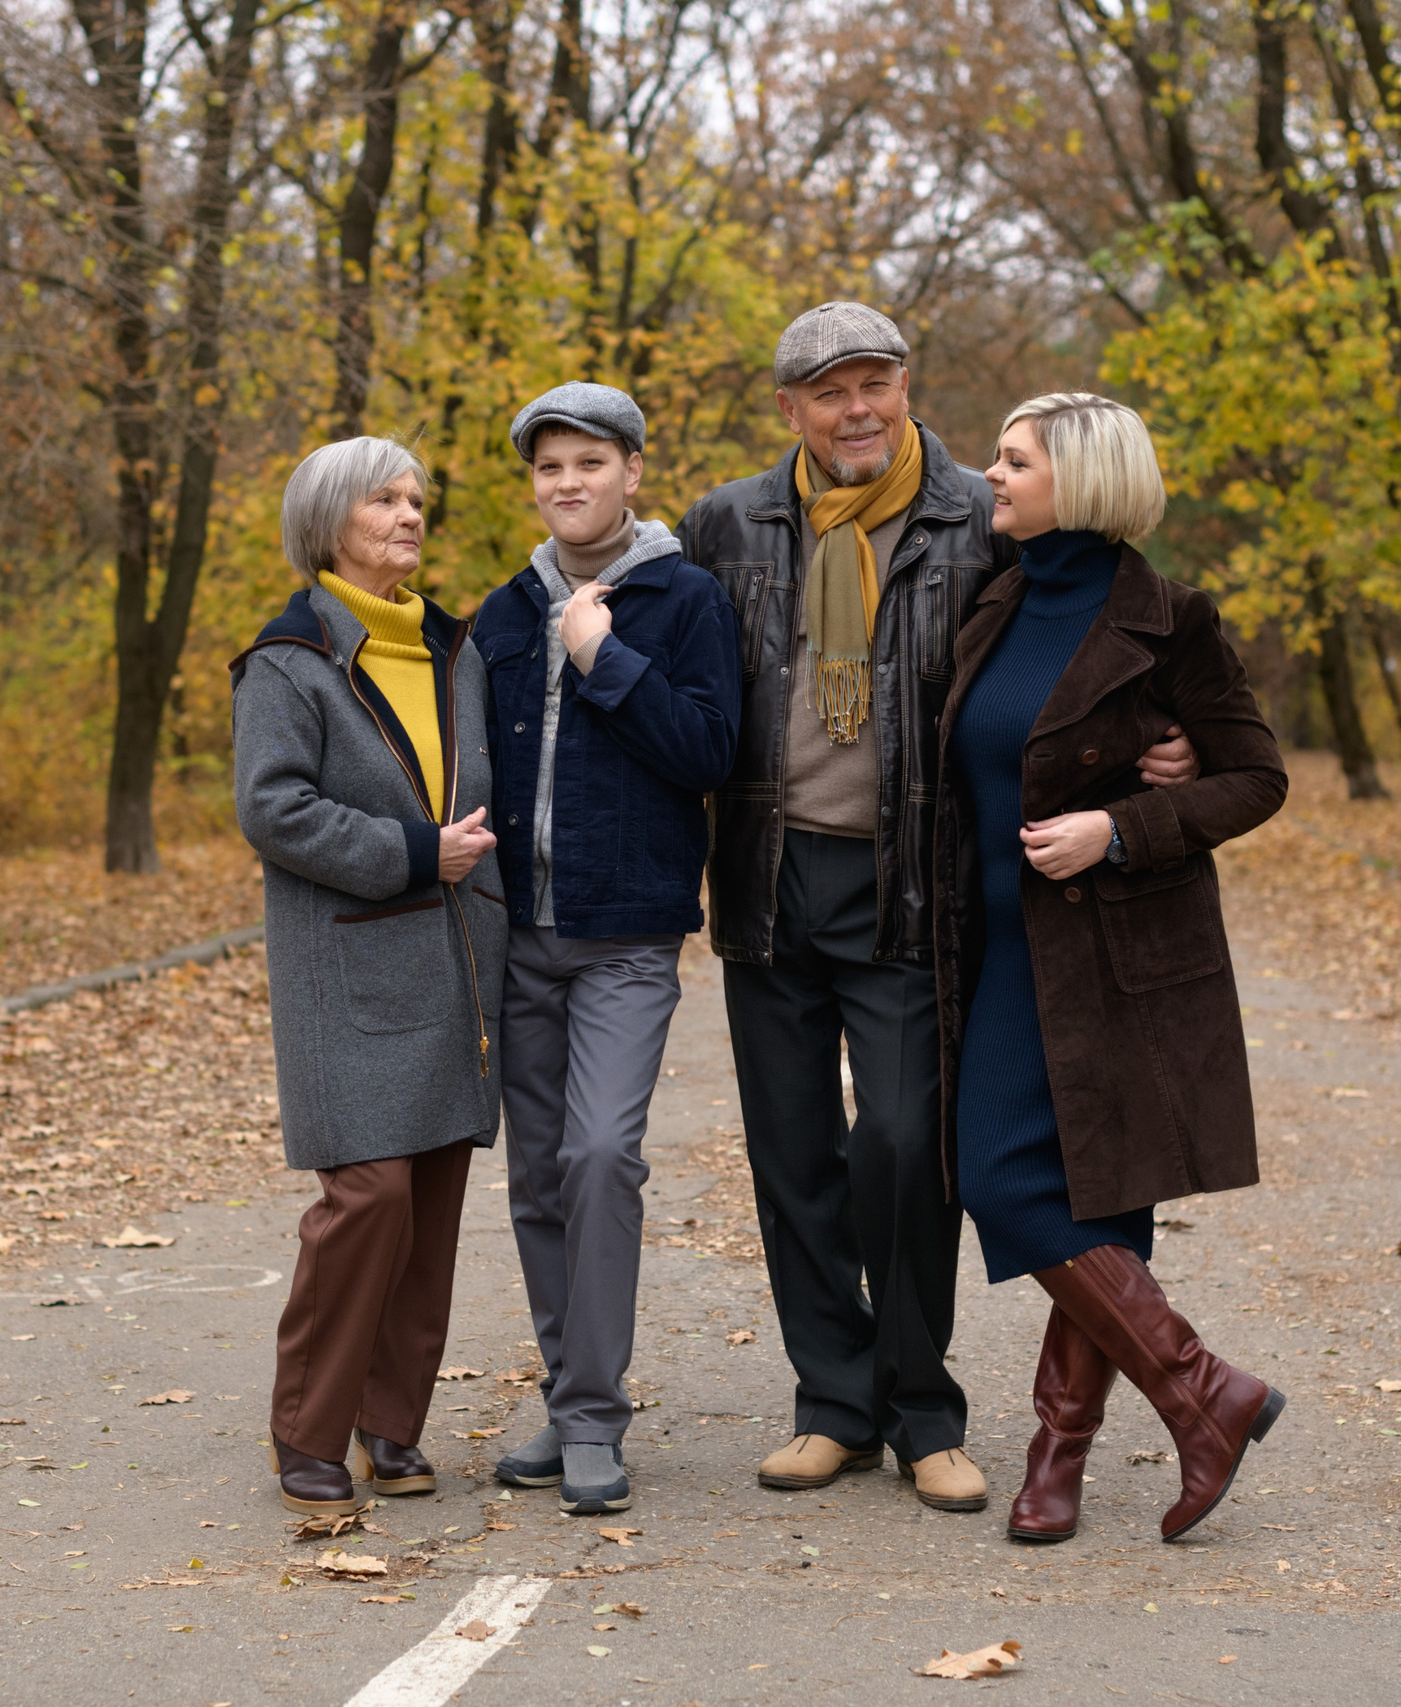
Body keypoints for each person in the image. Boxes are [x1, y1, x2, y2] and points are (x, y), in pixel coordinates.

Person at [674, 302, 1197, 1513]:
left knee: (908, 1150)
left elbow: (1091, 628)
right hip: (766, 876)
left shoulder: (978, 516)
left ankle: (922, 1410)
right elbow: (677, 678)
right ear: (789, 409)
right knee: (793, 1153)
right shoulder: (728, 523)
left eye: (879, 382)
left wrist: (1159, 739)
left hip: (916, 885)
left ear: (908, 384)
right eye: (830, 391)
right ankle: (832, 1404)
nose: (859, 409)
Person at [934, 392, 1288, 1545]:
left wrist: (1122, 826)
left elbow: (1252, 777)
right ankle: (1202, 1392)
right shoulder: (995, 601)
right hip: (997, 949)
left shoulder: (1170, 618)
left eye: (1013, 460)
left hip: (1119, 954)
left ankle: (1061, 1458)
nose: (991, 475)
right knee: (1002, 1175)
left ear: (1076, 482)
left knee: (1098, 1194)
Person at [473, 383, 741, 1517]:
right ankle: (569, 1399)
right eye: (549, 469)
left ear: (633, 470)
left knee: (598, 1159)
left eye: (590, 462)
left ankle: (592, 1420)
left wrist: (602, 656)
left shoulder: (685, 601)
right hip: (516, 933)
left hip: (624, 935)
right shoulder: (498, 611)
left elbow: (710, 753)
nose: (569, 484)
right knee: (535, 1176)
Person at [229, 436, 506, 1517]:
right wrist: (410, 852)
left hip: (457, 956)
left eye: (415, 499)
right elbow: (273, 808)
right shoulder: (288, 661)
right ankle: (307, 1429)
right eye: (384, 500)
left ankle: (392, 1426)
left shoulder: (453, 649)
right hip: (346, 965)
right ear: (328, 522)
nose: (408, 515)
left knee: (431, 1197)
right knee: (369, 1195)